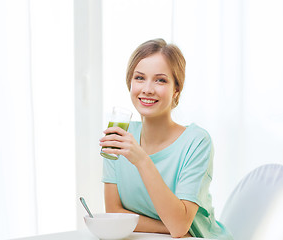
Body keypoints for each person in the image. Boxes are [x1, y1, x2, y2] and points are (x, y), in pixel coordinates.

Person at [99, 38, 233, 239]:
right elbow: (114, 214)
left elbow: (179, 228)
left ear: (176, 89)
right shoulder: (119, 138)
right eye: (139, 78)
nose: (147, 89)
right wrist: (165, 226)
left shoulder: (196, 142)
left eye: (160, 80)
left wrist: (142, 160)